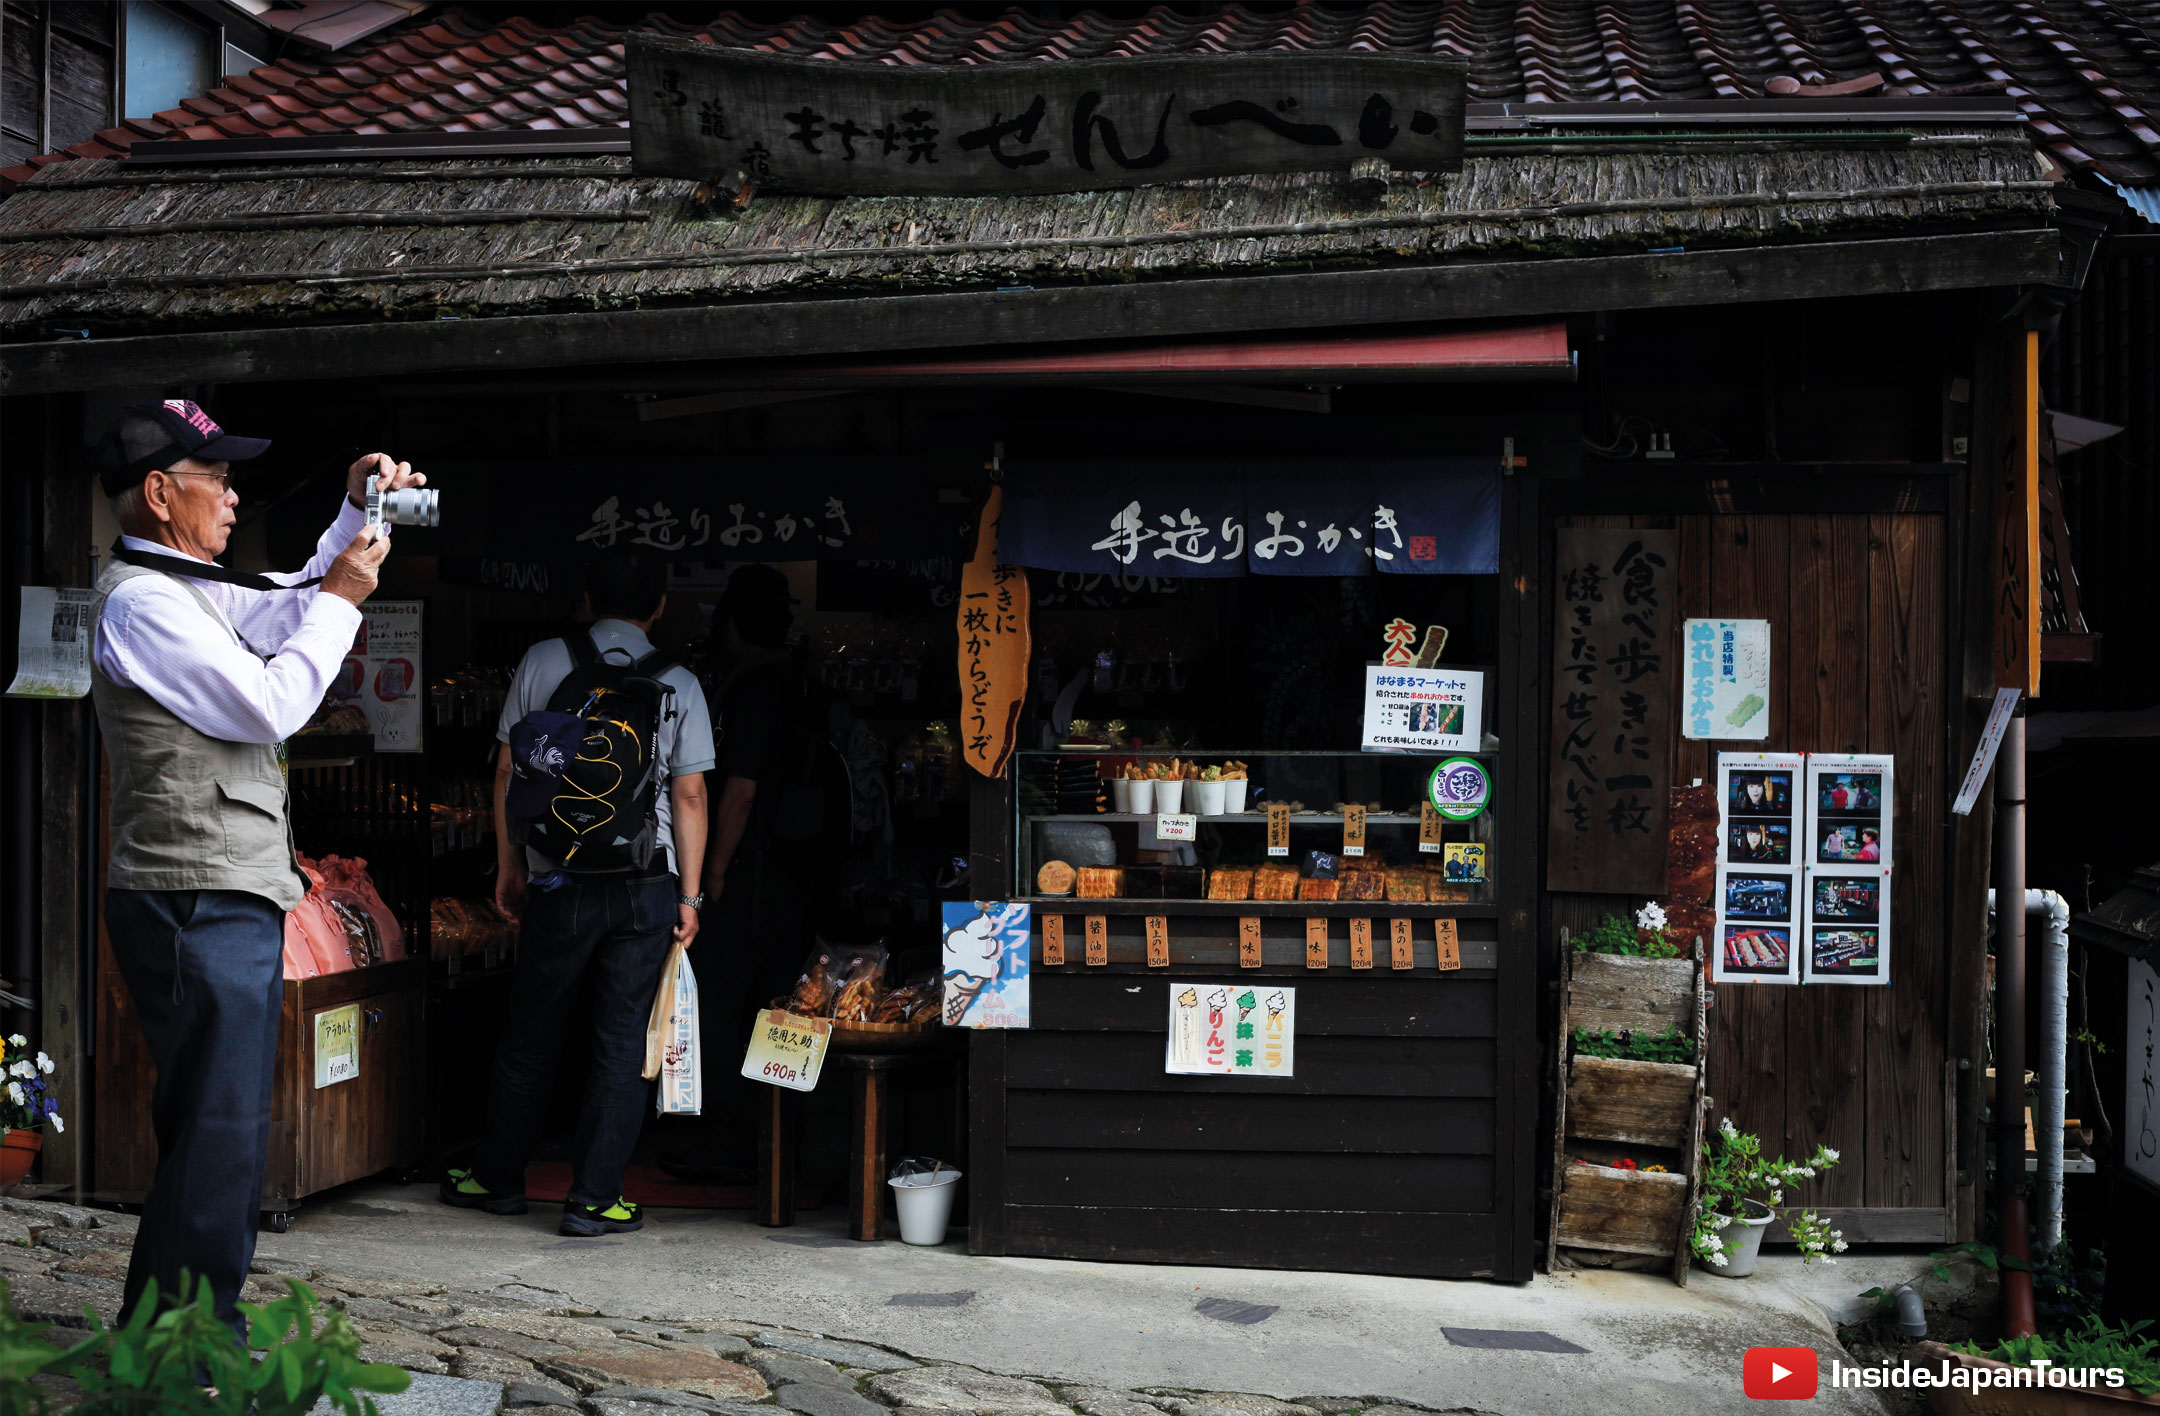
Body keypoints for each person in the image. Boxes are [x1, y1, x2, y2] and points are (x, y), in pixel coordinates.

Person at [88, 399, 416, 1331]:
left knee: (217, 1132)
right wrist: (345, 601)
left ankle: (167, 1339)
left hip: (219, 892)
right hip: (191, 895)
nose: (234, 500)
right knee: (218, 1135)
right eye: (217, 481)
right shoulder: (146, 602)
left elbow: (289, 598)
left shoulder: (186, 585)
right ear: (160, 493)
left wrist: (359, 511)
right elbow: (270, 701)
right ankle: (187, 1348)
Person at [441, 550, 714, 1236]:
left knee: (531, 1032)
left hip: (557, 874)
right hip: (644, 885)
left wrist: (510, 862)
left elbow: (508, 767)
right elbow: (690, 793)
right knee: (621, 1041)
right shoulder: (679, 680)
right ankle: (595, 1197)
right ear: (659, 606)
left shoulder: (541, 660)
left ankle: (496, 1179)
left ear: (589, 597)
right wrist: (692, 896)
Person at [667, 564, 816, 1180]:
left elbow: (741, 790)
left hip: (751, 876)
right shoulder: (799, 681)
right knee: (784, 1007)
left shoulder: (753, 689)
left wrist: (712, 874)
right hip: (794, 875)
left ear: (730, 624)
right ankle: (785, 1145)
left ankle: (731, 1146)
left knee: (724, 1008)